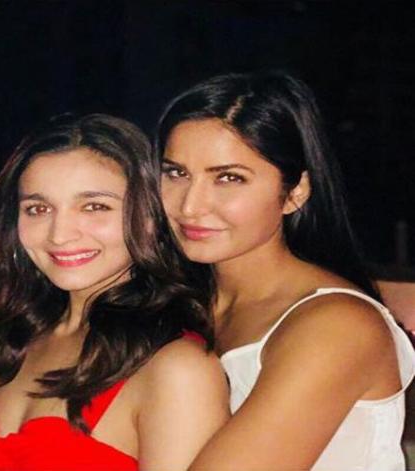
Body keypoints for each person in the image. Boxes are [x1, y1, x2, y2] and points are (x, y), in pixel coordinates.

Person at [0, 114, 229, 470]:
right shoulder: (27, 334)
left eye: (94, 206)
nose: (59, 234)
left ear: (150, 217)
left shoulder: (177, 369)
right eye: (38, 209)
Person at [155, 71, 415, 470]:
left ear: (295, 192)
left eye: (228, 178)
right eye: (176, 173)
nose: (190, 206)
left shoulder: (335, 326)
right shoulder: (178, 302)